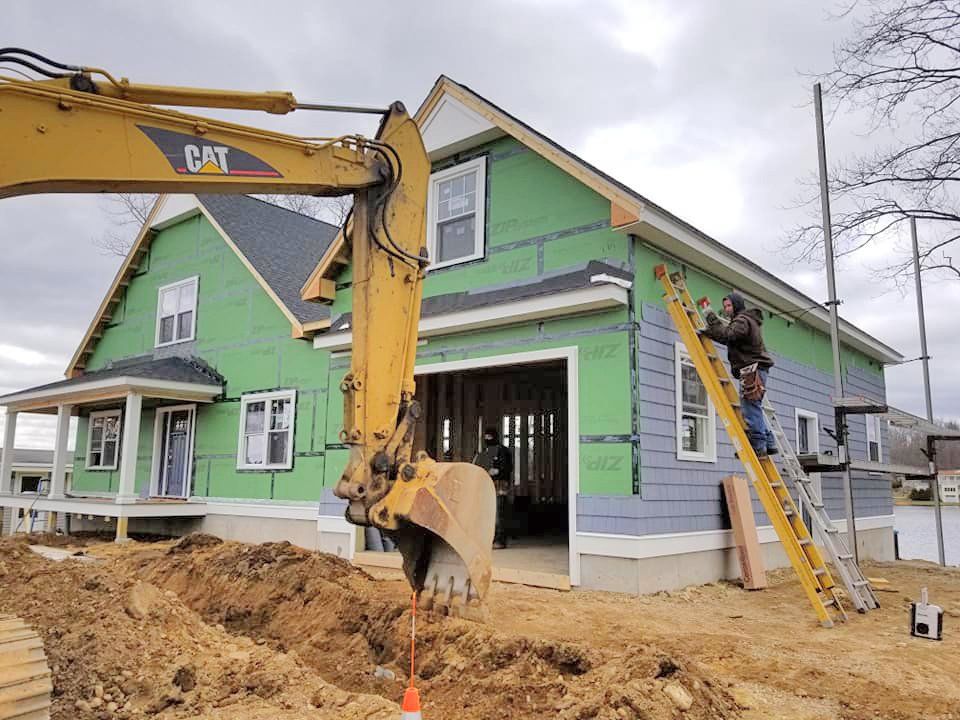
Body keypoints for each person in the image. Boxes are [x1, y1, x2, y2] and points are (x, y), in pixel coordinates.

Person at [702, 291, 778, 457]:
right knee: (754, 406)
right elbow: (728, 337)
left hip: (752, 369)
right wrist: (709, 332)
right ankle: (770, 442)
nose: (727, 309)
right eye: (725, 306)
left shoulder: (742, 320)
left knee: (749, 407)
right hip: (755, 368)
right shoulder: (745, 320)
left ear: (736, 305)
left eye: (729, 305)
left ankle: (758, 447)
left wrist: (712, 319)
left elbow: (729, 335)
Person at [473, 426, 514, 548]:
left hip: (500, 485)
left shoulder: (503, 451)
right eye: (486, 437)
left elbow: (508, 468)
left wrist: (497, 471)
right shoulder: (484, 451)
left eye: (489, 437)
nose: (487, 439)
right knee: (489, 513)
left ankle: (500, 540)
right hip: (487, 485)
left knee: (499, 513)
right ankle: (491, 539)